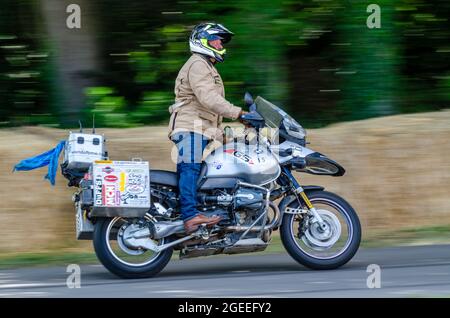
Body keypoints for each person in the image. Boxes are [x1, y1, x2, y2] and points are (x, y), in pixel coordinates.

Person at [168, 22, 247, 234]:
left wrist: (227, 137)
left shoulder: (205, 65)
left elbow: (207, 114)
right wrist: (239, 113)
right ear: (202, 41)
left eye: (220, 41)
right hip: (188, 126)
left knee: (207, 170)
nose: (220, 43)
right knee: (190, 166)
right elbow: (208, 98)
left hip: (197, 127)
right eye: (216, 39)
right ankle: (190, 216)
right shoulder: (197, 64)